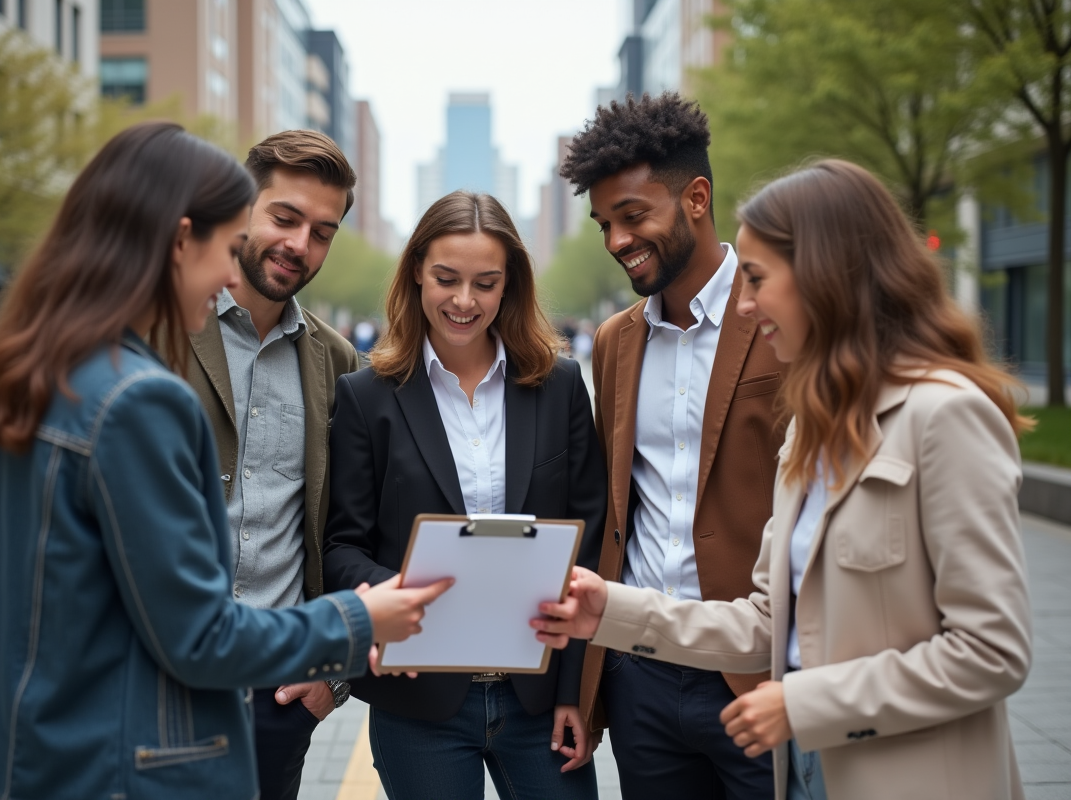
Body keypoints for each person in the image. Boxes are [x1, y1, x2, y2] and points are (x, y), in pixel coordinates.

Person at [0, 122, 451, 800]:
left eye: (319, 230)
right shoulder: (138, 396)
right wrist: (360, 623)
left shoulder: (27, 371)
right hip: (132, 749)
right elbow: (200, 635)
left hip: (45, 746)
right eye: (232, 239)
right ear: (182, 239)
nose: (228, 271)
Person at [532, 159, 1034, 800]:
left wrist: (804, 704)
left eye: (757, 279)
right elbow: (768, 623)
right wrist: (612, 609)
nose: (742, 304)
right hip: (802, 766)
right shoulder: (814, 430)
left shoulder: (947, 414)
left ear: (827, 276)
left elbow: (993, 651)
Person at [323, 191, 607, 800]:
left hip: (538, 699)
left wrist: (575, 694)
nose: (463, 301)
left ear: (510, 287)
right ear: (417, 275)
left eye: (485, 283)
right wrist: (397, 601)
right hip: (419, 699)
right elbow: (342, 545)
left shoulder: (559, 386)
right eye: (446, 279)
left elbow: (589, 539)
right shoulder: (366, 396)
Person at [558, 92, 783, 798]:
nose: (617, 240)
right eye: (604, 225)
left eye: (632, 216)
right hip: (641, 674)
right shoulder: (616, 344)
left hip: (757, 671)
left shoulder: (776, 320)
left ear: (695, 198)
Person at [178, 129, 361, 800]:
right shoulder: (163, 327)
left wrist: (331, 674)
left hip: (278, 693)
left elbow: (351, 524)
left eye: (322, 231)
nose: (299, 244)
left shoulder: (337, 363)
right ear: (242, 208)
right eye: (284, 217)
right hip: (160, 683)